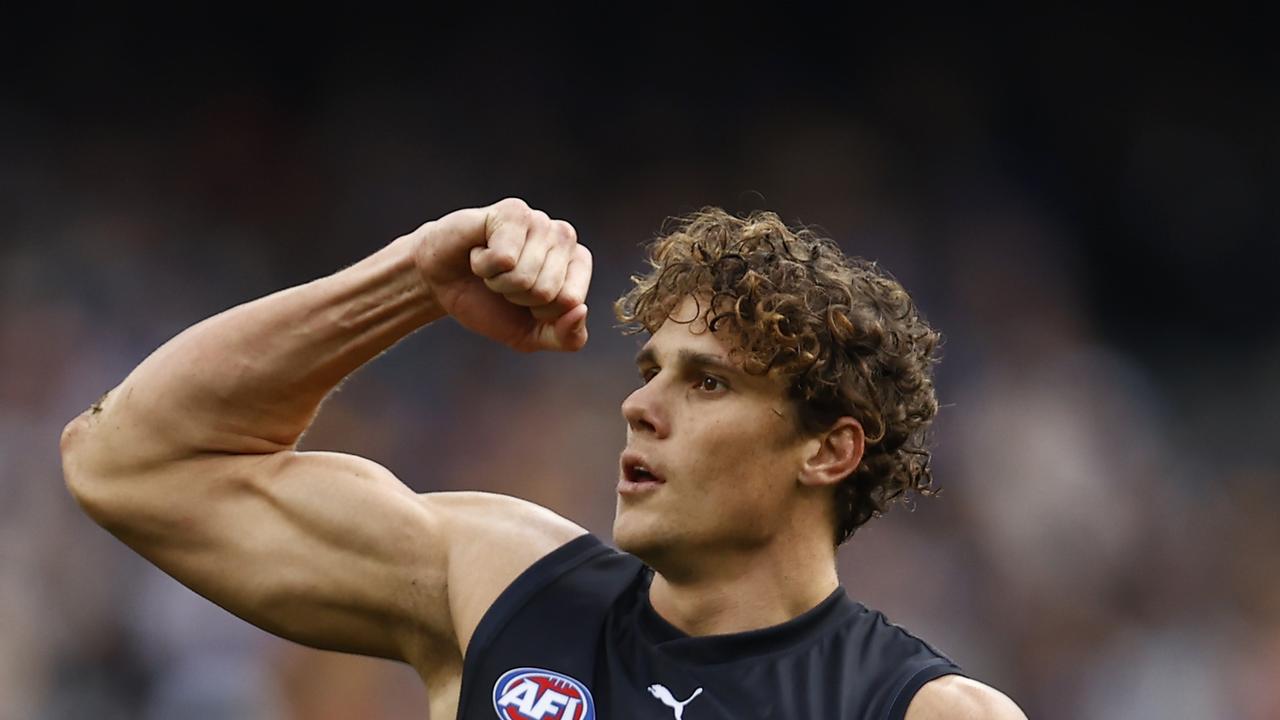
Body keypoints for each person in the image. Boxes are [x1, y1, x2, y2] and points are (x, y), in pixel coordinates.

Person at [60, 198, 1026, 719]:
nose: (639, 406)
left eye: (707, 383)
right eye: (650, 370)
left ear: (829, 449)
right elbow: (126, 462)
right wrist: (413, 279)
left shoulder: (917, 713)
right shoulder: (497, 588)